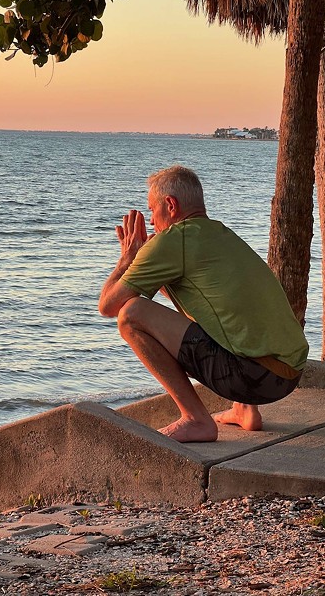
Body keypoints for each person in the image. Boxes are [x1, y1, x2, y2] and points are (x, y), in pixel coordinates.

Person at [98, 166, 309, 443]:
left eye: (152, 210)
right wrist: (146, 268)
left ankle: (196, 419)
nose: (151, 220)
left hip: (254, 378)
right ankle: (245, 410)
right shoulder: (221, 235)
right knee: (213, 305)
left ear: (170, 205)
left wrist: (127, 259)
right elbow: (207, 301)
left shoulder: (172, 241)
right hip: (288, 374)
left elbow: (108, 306)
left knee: (130, 315)